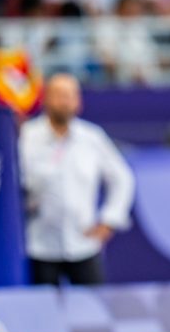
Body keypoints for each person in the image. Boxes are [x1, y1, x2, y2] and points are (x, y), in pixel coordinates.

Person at [19, 73, 135, 285]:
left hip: (83, 244)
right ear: (46, 99)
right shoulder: (27, 137)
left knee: (94, 308)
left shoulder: (91, 137)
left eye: (69, 96)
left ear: (78, 101)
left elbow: (122, 178)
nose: (64, 101)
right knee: (42, 309)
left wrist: (110, 220)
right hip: (40, 245)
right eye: (58, 95)